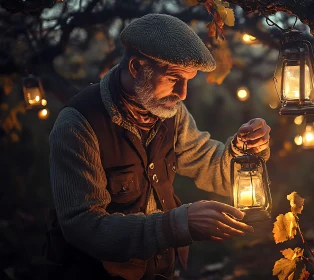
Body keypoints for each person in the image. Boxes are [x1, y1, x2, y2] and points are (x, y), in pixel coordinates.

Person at [46, 14, 271, 280]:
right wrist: (177, 224)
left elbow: (212, 167)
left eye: (189, 80)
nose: (183, 93)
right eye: (174, 77)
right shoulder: (79, 123)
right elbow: (83, 226)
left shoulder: (170, 110)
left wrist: (242, 151)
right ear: (136, 68)